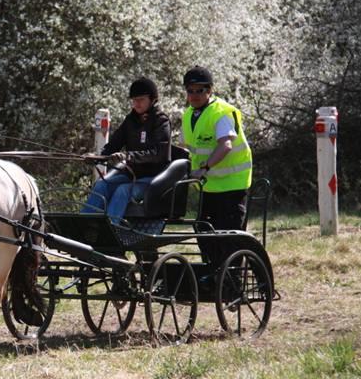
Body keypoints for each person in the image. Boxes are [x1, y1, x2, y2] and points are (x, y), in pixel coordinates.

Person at [181, 66, 253, 268]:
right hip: (208, 187)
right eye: (190, 90)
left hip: (232, 186)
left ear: (210, 90)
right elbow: (189, 148)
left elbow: (226, 145)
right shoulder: (188, 115)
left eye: (200, 90)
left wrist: (204, 168)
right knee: (204, 233)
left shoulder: (220, 112)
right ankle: (213, 275)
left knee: (228, 236)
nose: (194, 95)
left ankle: (233, 282)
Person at [82, 77, 171, 223]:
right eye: (134, 100)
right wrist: (98, 157)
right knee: (102, 186)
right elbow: (114, 144)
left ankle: (111, 231)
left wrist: (128, 156)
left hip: (154, 179)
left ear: (153, 99)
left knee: (122, 191)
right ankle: (83, 226)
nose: (136, 104)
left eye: (141, 99)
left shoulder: (161, 121)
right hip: (131, 174)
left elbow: (159, 153)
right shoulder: (131, 120)